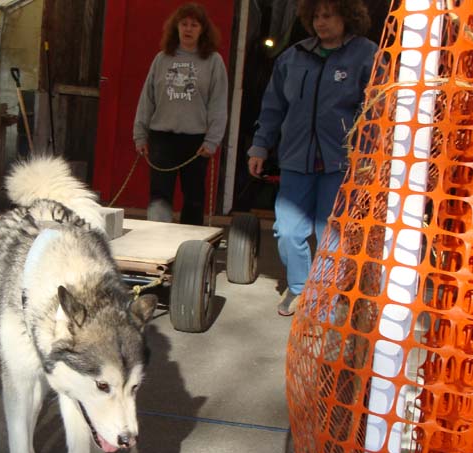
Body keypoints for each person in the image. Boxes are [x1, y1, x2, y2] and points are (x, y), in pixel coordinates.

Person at [248, 0, 377, 316]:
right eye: (316, 16)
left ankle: (324, 298)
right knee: (289, 231)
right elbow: (273, 107)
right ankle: (299, 288)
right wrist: (259, 147)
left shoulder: (367, 54)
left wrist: (369, 152)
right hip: (296, 159)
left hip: (342, 163)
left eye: (329, 15)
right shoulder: (292, 58)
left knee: (330, 234)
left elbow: (377, 108)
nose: (321, 22)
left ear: (346, 17)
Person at [133, 3, 228, 225]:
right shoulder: (161, 59)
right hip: (162, 137)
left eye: (194, 25)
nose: (188, 29)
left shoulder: (214, 62)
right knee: (159, 196)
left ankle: (191, 250)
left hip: (196, 142)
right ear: (175, 27)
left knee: (194, 198)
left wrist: (213, 140)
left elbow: (218, 103)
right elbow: (147, 98)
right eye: (184, 24)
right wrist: (140, 134)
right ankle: (156, 244)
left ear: (203, 29)